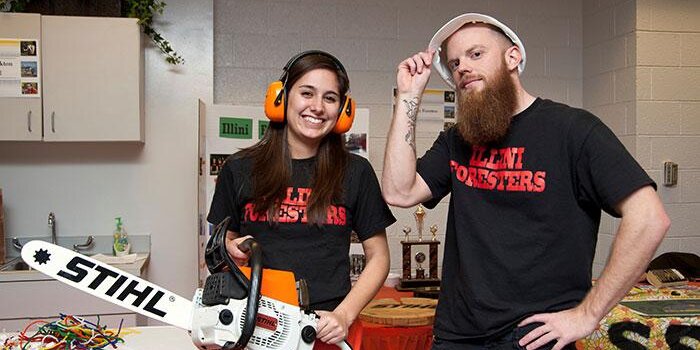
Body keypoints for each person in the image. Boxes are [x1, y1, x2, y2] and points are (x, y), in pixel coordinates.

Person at [382, 13, 670, 350]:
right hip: (457, 335)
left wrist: (588, 314)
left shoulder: (573, 130)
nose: (461, 68)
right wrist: (408, 97)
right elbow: (399, 191)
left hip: (537, 335)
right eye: (454, 62)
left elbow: (649, 218)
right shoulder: (458, 139)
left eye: (476, 54)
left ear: (512, 57)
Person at [208, 50, 395, 348]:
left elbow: (379, 257)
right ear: (281, 98)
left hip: (324, 328)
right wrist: (229, 250)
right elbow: (217, 249)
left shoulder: (356, 172)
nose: (317, 107)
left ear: (344, 110)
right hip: (254, 323)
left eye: (330, 98)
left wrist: (344, 315)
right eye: (307, 93)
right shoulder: (239, 168)